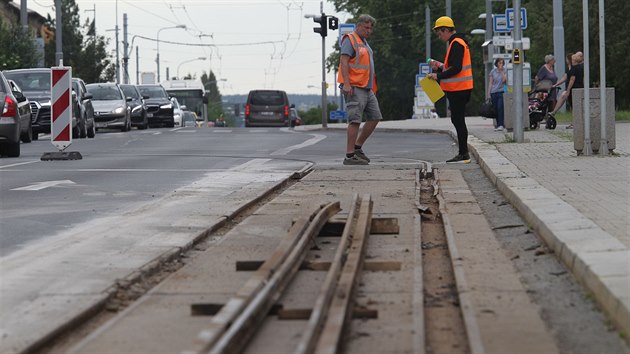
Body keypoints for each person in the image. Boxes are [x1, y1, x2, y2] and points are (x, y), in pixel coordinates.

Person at [427, 16, 474, 163]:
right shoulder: (457, 43)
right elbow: (452, 66)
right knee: (457, 119)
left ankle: (463, 153)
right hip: (459, 89)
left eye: (440, 33)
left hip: (459, 89)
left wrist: (438, 76)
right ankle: (462, 152)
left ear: (446, 30)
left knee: (458, 120)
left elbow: (457, 69)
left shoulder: (456, 43)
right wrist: (440, 66)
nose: (439, 36)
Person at [338, 14, 382, 165]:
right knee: (355, 120)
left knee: (375, 116)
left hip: (367, 88)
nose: (368, 31)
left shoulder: (364, 43)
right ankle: (349, 156)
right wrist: (347, 83)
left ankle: (357, 147)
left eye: (370, 28)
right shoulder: (350, 39)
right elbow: (344, 62)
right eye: (366, 27)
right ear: (358, 26)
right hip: (354, 87)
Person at [548, 52, 584, 128]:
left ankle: (555, 112)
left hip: (575, 88)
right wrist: (556, 84)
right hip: (572, 89)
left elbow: (572, 79)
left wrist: (568, 90)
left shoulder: (576, 67)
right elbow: (565, 77)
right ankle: (555, 112)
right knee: (572, 106)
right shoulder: (570, 68)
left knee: (574, 105)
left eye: (567, 59)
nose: (566, 60)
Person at [488, 58, 507, 131]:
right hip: (494, 92)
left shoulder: (504, 71)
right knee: (495, 109)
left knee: (500, 107)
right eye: (499, 63)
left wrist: (501, 71)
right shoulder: (493, 71)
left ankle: (501, 124)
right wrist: (488, 93)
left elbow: (504, 80)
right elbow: (491, 82)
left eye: (502, 63)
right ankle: (498, 124)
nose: (501, 64)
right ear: (496, 64)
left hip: (501, 91)